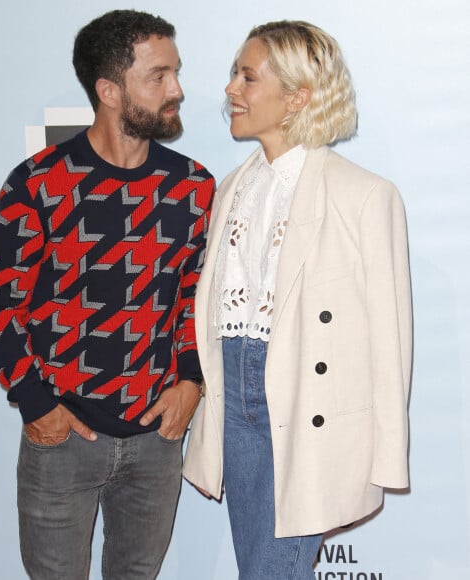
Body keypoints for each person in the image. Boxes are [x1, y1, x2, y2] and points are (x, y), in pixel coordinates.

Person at [0, 9, 214, 580]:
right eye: (158, 76)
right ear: (109, 90)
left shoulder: (193, 187)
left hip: (157, 439)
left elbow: (192, 299)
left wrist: (191, 381)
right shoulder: (37, 182)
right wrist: (36, 402)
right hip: (61, 440)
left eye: (175, 72)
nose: (176, 89)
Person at [183, 20, 412, 580]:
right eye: (234, 74)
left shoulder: (364, 195)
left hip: (310, 407)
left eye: (248, 77)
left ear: (297, 97)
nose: (231, 91)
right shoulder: (231, 187)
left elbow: (391, 337)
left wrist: (386, 455)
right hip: (234, 396)